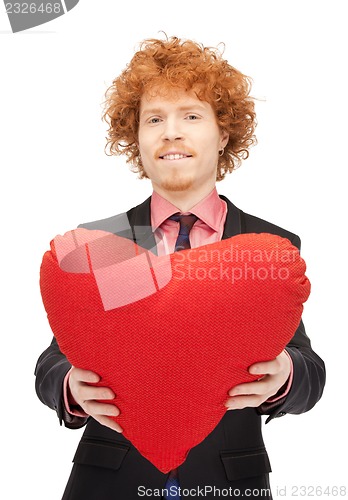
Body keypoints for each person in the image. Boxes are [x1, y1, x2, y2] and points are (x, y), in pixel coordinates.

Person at [35, 36, 325, 500]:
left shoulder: (266, 247)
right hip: (109, 481)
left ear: (223, 133)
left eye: (191, 115)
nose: (171, 132)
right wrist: (69, 386)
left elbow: (310, 368)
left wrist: (285, 374)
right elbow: (55, 358)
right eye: (154, 119)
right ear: (136, 139)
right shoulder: (105, 246)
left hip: (230, 482)